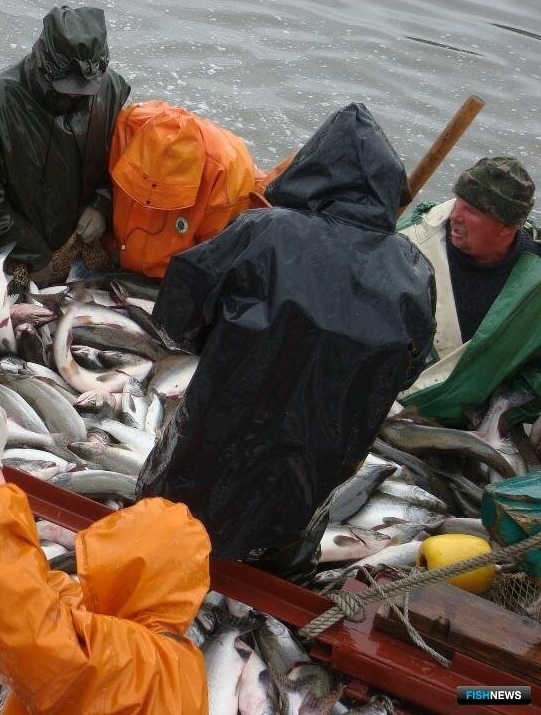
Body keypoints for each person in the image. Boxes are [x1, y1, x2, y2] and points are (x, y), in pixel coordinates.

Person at [136, 103, 437, 560]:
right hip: (317, 460)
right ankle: (267, 569)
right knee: (278, 536)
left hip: (219, 429)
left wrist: (228, 348)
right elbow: (408, 370)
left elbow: (178, 314)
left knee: (175, 519)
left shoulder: (264, 230)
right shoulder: (414, 271)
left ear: (314, 171)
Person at [0, 396, 211, 715]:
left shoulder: (140, 663)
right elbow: (41, 592)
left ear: (126, 569)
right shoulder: (184, 666)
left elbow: (30, 630)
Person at [0, 5, 131, 287]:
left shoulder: (110, 88)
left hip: (78, 241)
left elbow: (126, 164)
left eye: (84, 88)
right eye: (67, 85)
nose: (75, 94)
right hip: (20, 245)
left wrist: (102, 204)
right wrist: (31, 252)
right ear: (44, 64)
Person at [397, 157, 541, 427]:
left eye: (472, 211)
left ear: (507, 227)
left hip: (470, 426)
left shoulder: (536, 285)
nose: (455, 216)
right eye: (458, 201)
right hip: (388, 406)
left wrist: (504, 410)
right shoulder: (408, 244)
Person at [106, 100, 273, 278]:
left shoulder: (226, 178)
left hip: (175, 275)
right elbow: (97, 177)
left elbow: (213, 260)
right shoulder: (124, 128)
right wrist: (99, 204)